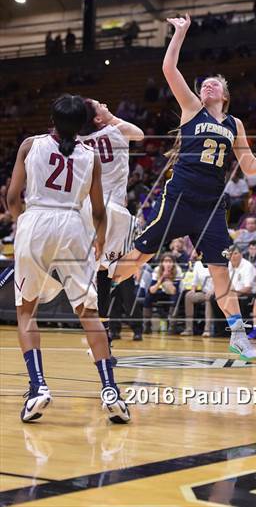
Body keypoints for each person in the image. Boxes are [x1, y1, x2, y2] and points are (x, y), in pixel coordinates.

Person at [111, 14, 256, 361]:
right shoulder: (191, 109)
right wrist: (180, 33)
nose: (206, 87)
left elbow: (248, 167)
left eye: (213, 84)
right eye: (203, 84)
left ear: (225, 94)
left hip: (211, 206)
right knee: (141, 256)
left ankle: (237, 336)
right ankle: (99, 280)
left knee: (220, 270)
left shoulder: (235, 124)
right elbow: (170, 68)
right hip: (180, 199)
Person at [6, 94, 129, 424]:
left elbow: (11, 197)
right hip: (74, 225)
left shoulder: (30, 145)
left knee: (26, 311)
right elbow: (99, 209)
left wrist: (23, 223)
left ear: (53, 119)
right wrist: (100, 239)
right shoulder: (91, 156)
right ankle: (111, 392)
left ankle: (39, 387)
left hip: (37, 221)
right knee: (89, 313)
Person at [79, 99, 144, 351]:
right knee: (120, 271)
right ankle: (120, 325)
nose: (105, 104)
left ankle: (102, 330)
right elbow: (138, 134)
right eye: (100, 105)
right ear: (97, 119)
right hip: (115, 211)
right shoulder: (117, 129)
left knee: (98, 273)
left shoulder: (81, 142)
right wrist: (111, 119)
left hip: (89, 211)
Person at [143, 252, 183, 334]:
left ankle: (172, 326)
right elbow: (152, 290)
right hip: (160, 292)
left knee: (176, 297)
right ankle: (146, 324)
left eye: (170, 261)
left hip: (171, 292)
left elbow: (173, 291)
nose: (168, 264)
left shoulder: (178, 270)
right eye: (165, 261)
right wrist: (161, 278)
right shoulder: (157, 270)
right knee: (148, 297)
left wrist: (168, 280)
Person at [181, 257, 214, 337]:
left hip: (217, 292)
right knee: (188, 296)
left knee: (208, 298)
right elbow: (194, 281)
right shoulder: (198, 264)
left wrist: (212, 291)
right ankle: (189, 329)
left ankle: (207, 329)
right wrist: (193, 290)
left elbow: (220, 280)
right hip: (204, 291)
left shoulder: (217, 262)